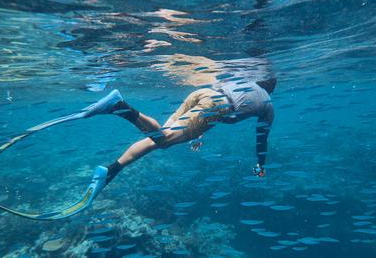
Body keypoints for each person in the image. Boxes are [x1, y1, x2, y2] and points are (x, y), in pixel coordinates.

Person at [83, 54, 276, 205]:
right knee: (164, 139)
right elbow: (261, 140)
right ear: (271, 88)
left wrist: (199, 131)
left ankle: (111, 170)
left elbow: (215, 101)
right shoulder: (268, 104)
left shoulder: (242, 82)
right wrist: (261, 164)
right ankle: (120, 107)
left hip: (204, 93)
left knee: (158, 139)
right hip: (217, 106)